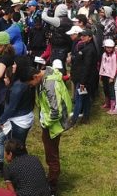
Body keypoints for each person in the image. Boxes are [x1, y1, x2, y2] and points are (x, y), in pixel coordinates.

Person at [33, 59, 72, 195]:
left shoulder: (49, 84)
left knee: (52, 155)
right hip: (50, 122)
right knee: (51, 152)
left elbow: (55, 111)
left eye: (30, 82)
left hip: (53, 124)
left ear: (36, 76)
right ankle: (51, 178)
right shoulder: (45, 78)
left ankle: (52, 187)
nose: (31, 85)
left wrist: (46, 123)